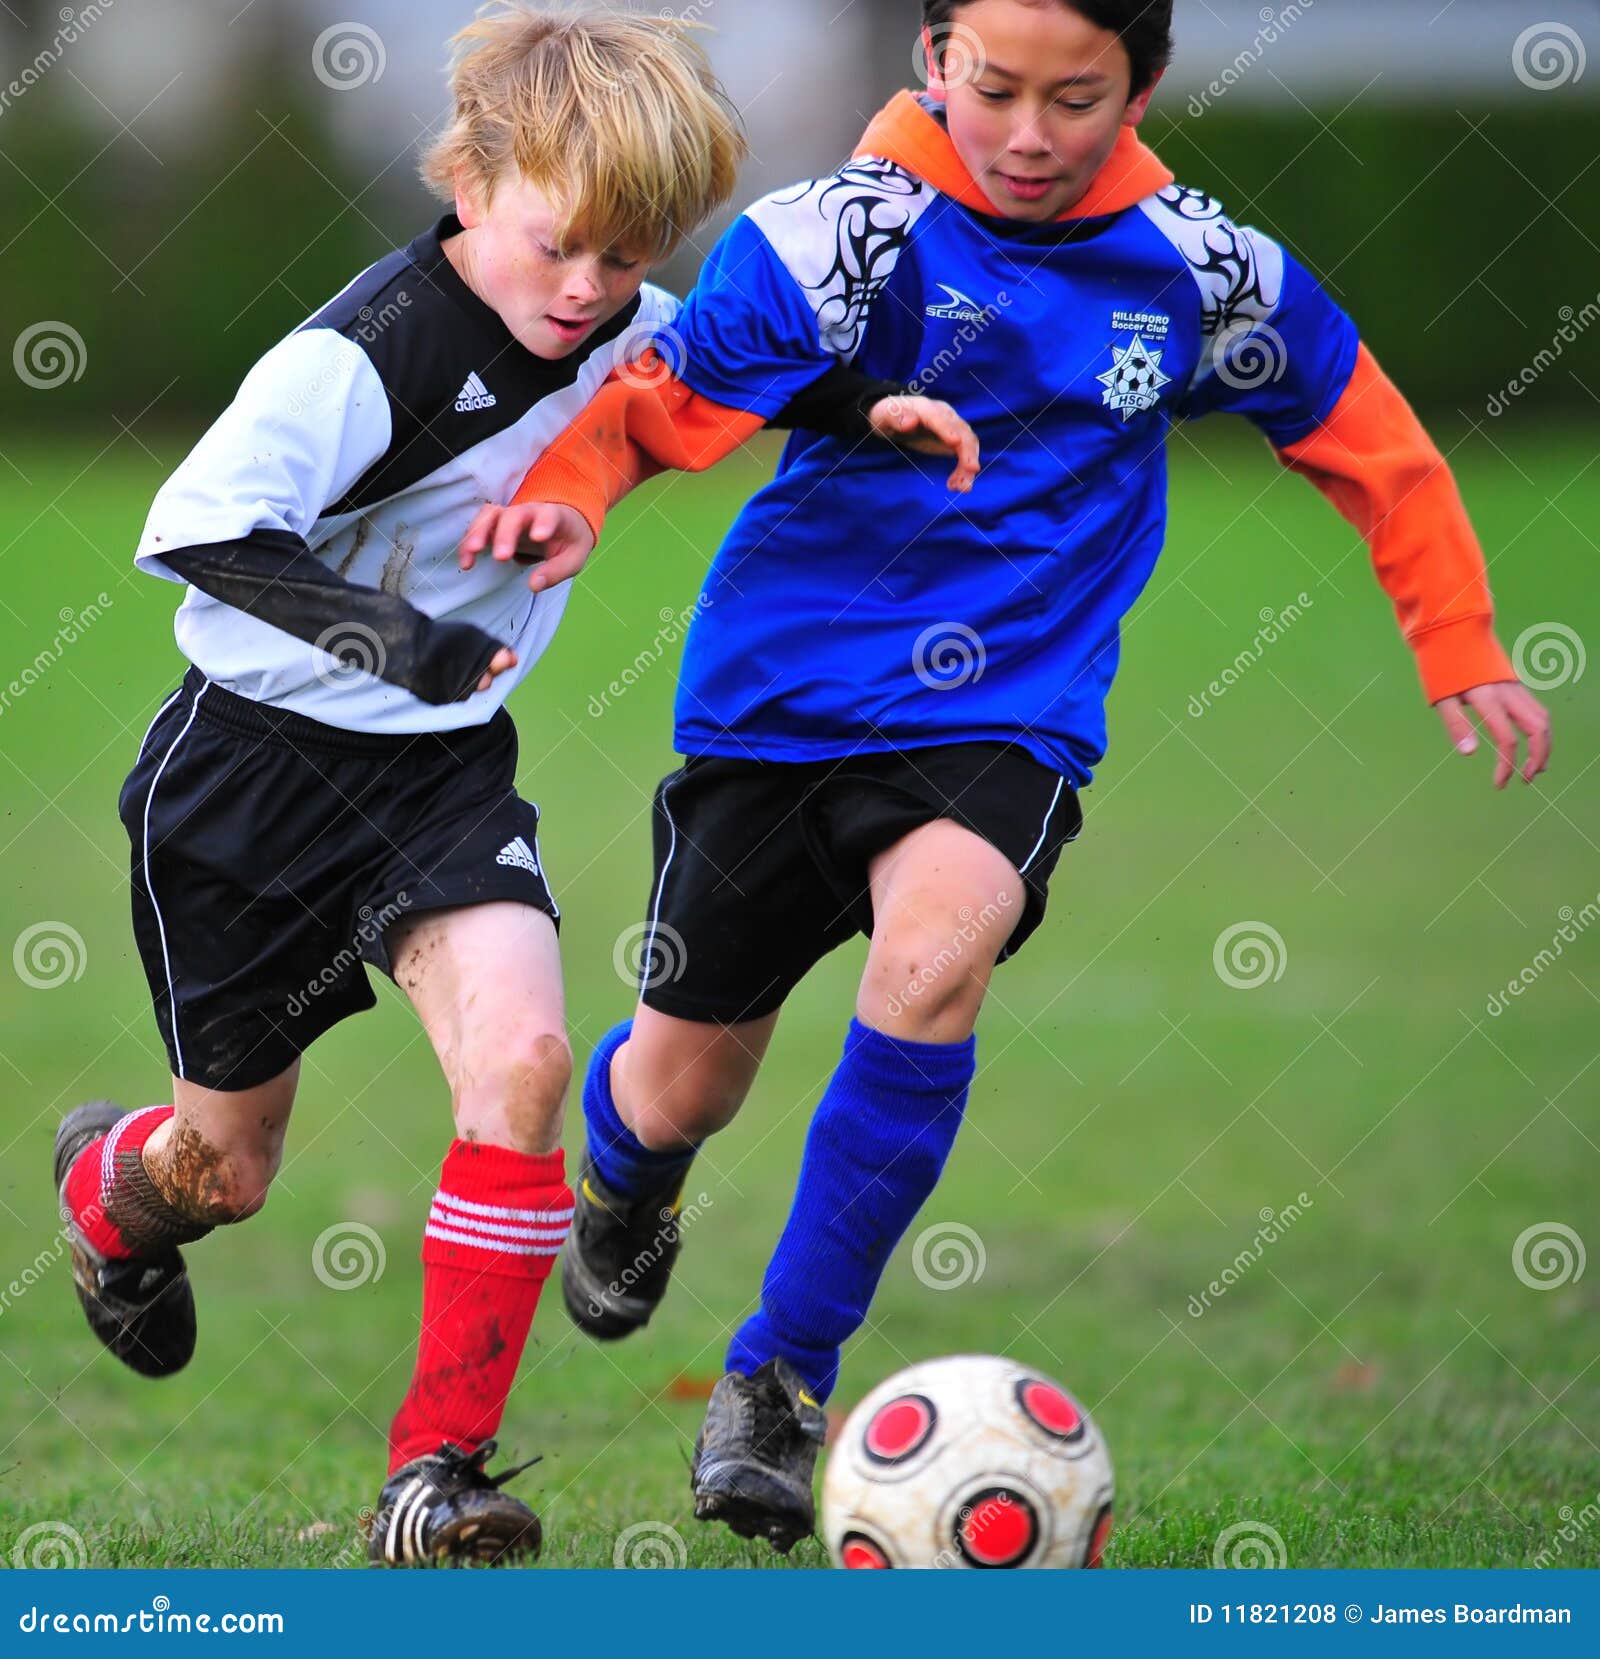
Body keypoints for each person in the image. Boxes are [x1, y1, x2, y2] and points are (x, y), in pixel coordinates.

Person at [465, 0, 1552, 1555]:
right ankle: (630, 1181)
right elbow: (653, 407)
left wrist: (1458, 635)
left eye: (1076, 98)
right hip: (781, 707)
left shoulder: (1201, 269)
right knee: (683, 1078)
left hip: (1010, 715)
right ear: (932, 61)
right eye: (996, 90)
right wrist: (571, 497)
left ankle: (780, 1376)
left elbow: (1366, 434)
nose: (1031, 135)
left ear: (1143, 86)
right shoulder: (835, 237)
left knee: (935, 957)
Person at [51, 2, 972, 1568]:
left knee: (530, 1059)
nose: (591, 289)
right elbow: (197, 530)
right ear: (473, 181)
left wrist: (858, 408)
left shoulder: (608, 306)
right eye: (562, 248)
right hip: (244, 784)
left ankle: (434, 1476)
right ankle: (107, 1192)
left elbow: (713, 368)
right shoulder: (362, 356)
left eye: (626, 255)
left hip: (441, 783)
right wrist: (395, 642)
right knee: (229, 1169)